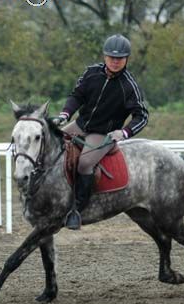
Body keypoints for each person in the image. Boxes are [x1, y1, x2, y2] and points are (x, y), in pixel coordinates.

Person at [51, 34, 149, 230]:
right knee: (53, 144)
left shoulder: (129, 86)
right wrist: (64, 114)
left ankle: (77, 210)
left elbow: (142, 116)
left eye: (119, 58)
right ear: (104, 57)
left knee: (85, 163)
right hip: (80, 124)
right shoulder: (91, 72)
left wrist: (124, 132)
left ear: (126, 59)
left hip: (102, 134)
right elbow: (76, 96)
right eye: (111, 57)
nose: (115, 61)